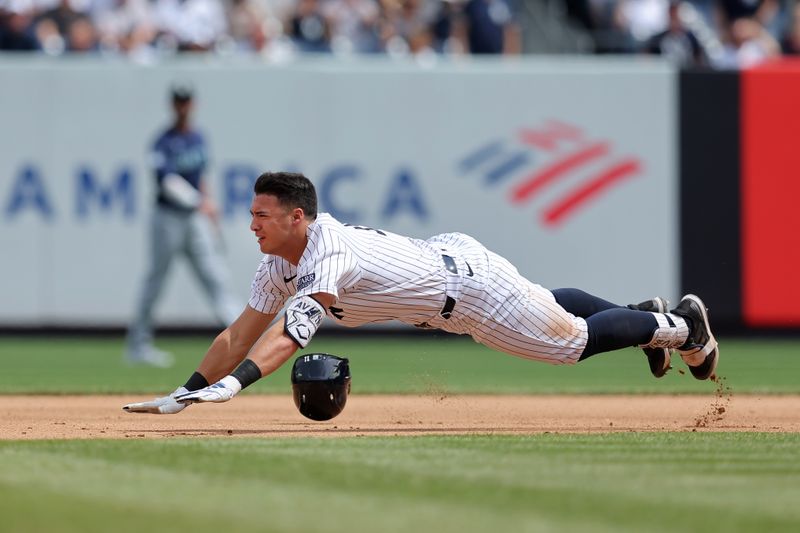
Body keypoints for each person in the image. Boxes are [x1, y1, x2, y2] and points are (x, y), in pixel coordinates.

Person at [123, 171, 719, 414]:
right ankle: (641, 316)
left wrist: (233, 387)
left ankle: (683, 328)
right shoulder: (278, 262)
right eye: (250, 214)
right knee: (545, 306)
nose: (251, 225)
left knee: (569, 343)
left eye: (262, 215)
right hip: (451, 265)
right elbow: (240, 333)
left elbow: (292, 333)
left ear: (298, 217)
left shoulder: (326, 250)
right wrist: (185, 391)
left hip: (468, 293)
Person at [125, 86, 240, 367]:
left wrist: (207, 203)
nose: (183, 107)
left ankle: (241, 339)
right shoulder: (163, 141)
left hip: (194, 218)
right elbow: (165, 181)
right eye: (178, 102)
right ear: (172, 105)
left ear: (193, 104)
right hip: (167, 217)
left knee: (215, 276)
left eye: (186, 102)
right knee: (156, 280)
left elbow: (201, 176)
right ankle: (138, 346)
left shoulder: (199, 138)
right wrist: (200, 201)